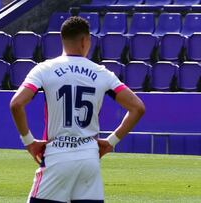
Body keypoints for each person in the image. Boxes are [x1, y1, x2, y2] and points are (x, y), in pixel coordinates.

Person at [10, 16, 145, 203]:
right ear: (85, 40)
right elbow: (137, 108)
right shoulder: (102, 73)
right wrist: (111, 142)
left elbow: (16, 104)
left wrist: (29, 142)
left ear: (62, 39)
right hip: (89, 156)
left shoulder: (44, 69)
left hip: (57, 154)